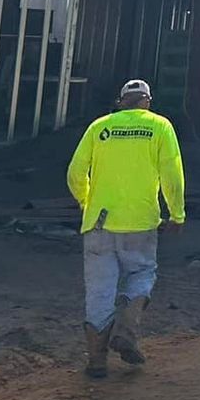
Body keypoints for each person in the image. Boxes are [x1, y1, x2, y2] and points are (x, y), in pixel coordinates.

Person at [65, 78, 186, 380]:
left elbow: (75, 172)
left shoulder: (99, 128)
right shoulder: (160, 127)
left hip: (99, 223)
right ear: (147, 101)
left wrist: (85, 201)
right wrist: (177, 214)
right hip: (140, 222)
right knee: (141, 273)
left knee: (99, 291)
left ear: (120, 102)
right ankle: (127, 332)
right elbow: (172, 174)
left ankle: (96, 361)